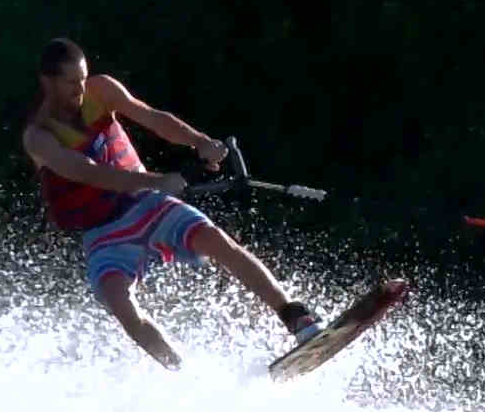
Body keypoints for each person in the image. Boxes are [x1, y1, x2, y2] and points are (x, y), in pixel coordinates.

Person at [21, 37, 323, 368]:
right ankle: (183, 374)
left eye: (82, 79)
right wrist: (158, 181)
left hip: (148, 205)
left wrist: (200, 142)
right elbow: (88, 173)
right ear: (47, 82)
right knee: (123, 307)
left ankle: (295, 316)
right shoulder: (39, 137)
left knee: (215, 240)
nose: (80, 89)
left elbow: (153, 118)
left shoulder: (101, 90)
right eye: (70, 83)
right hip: (104, 234)